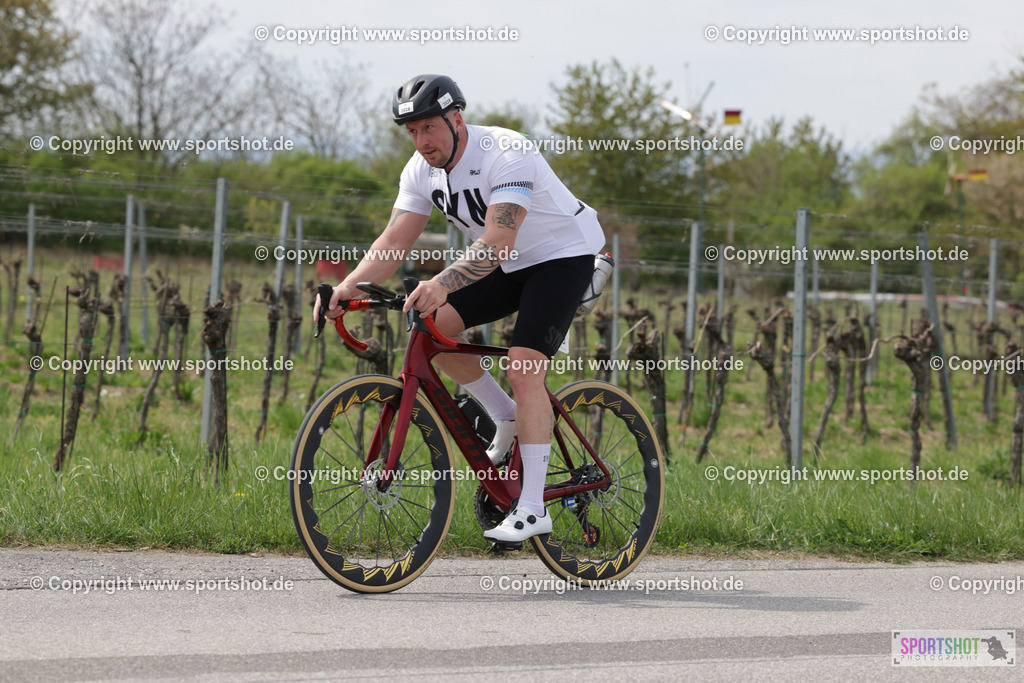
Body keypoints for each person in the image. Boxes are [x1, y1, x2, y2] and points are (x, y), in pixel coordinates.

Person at [315, 74, 605, 542]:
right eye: (411, 131)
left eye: (429, 127)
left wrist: (442, 282)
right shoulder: (419, 169)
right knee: (431, 331)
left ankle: (533, 507)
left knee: (524, 366)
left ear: (456, 118)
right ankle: (504, 415)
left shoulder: (507, 152)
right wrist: (347, 287)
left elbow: (498, 241)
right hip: (507, 265)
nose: (421, 140)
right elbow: (393, 240)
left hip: (561, 256)